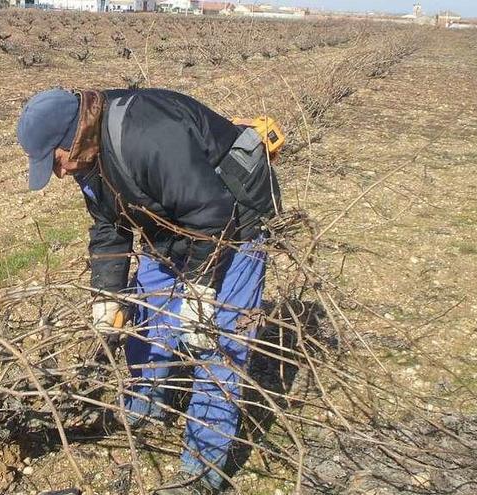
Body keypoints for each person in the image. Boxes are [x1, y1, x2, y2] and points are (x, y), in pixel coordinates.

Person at [15, 88, 281, 494]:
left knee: (218, 347)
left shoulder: (147, 135)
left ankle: (202, 471)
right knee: (147, 319)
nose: (60, 174)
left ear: (72, 136)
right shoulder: (90, 158)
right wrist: (107, 295)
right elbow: (109, 226)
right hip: (171, 227)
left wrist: (199, 290)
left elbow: (211, 213)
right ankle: (146, 402)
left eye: (55, 162)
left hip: (232, 228)